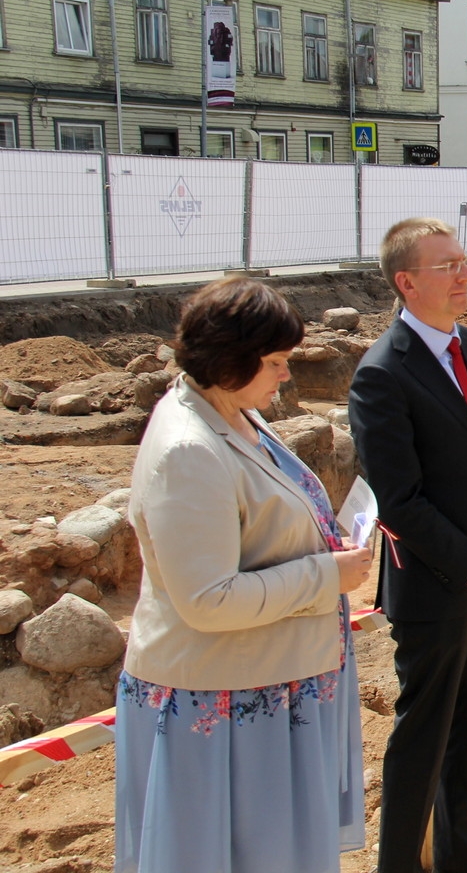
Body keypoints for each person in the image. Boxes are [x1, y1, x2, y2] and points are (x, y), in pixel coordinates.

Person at [115, 276, 372, 873]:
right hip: (223, 703)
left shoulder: (230, 414)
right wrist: (322, 575)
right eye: (277, 362)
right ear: (233, 359)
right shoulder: (189, 450)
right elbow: (207, 598)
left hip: (264, 685)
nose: (287, 375)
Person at [347, 218, 467, 873]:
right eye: (449, 265)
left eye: (464, 262)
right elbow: (399, 502)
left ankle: (466, 862)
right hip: (437, 590)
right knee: (422, 745)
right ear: (407, 282)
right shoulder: (381, 376)